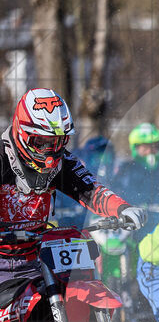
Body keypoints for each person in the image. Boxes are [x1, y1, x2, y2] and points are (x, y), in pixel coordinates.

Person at [0, 88, 145, 289]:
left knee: (78, 289)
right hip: (2, 260)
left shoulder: (61, 160)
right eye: (41, 142)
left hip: (38, 257)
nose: (49, 152)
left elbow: (91, 189)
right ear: (22, 132)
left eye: (57, 141)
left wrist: (122, 208)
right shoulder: (2, 158)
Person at [111, 123, 159, 218]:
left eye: (154, 147)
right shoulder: (126, 168)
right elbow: (116, 194)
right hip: (133, 219)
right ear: (135, 148)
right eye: (145, 148)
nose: (150, 151)